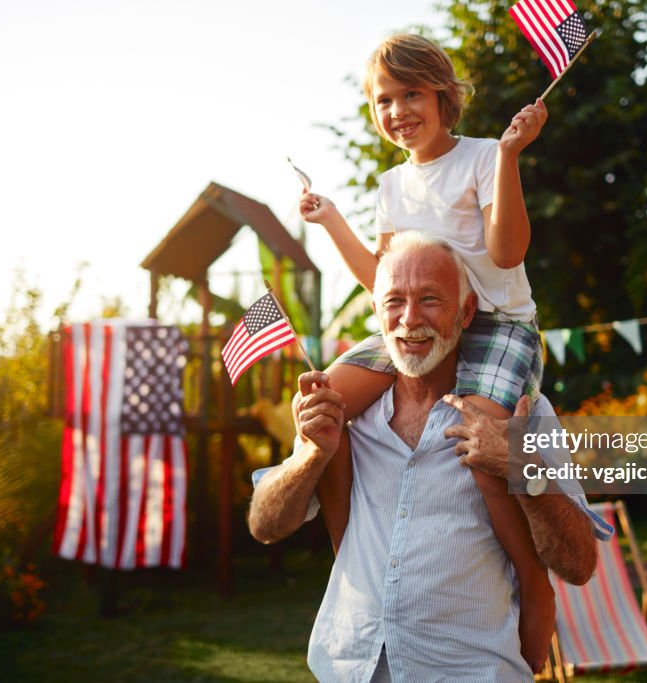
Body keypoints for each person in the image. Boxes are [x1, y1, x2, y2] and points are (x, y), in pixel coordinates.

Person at [249, 234, 611, 681]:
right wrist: (310, 456)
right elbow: (265, 525)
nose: (410, 319)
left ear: (466, 312)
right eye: (395, 301)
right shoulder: (343, 418)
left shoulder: (522, 414)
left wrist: (521, 467)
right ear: (377, 312)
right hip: (351, 669)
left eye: (430, 299)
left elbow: (579, 564)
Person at [298, 33, 554, 666]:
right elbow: (381, 279)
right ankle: (357, 564)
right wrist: (332, 218)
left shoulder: (482, 157)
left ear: (444, 97)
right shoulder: (391, 185)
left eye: (410, 94)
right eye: (383, 101)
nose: (396, 111)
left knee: (483, 448)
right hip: (418, 326)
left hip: (495, 326)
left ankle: (534, 582)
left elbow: (507, 254)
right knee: (325, 403)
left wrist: (512, 156)